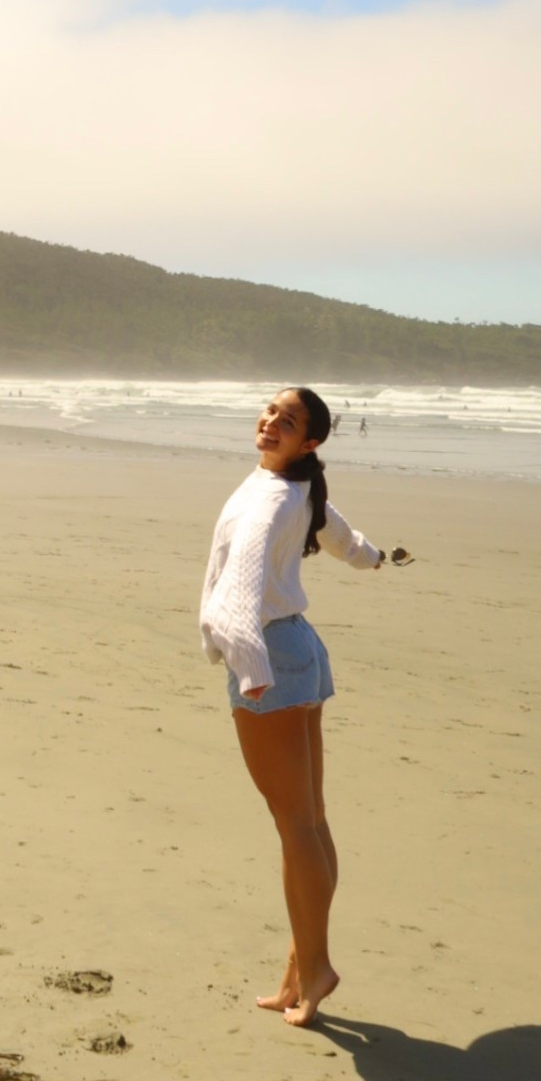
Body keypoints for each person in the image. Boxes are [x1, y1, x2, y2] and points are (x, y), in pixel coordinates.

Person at [199, 386, 409, 1029]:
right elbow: (338, 532)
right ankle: (300, 963)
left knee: (296, 825)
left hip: (270, 653)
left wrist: (250, 666)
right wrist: (373, 560)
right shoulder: (297, 486)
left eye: (286, 422)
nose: (270, 423)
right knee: (309, 820)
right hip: (299, 648)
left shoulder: (269, 499)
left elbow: (240, 588)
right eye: (270, 412)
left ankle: (315, 968)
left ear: (308, 441)